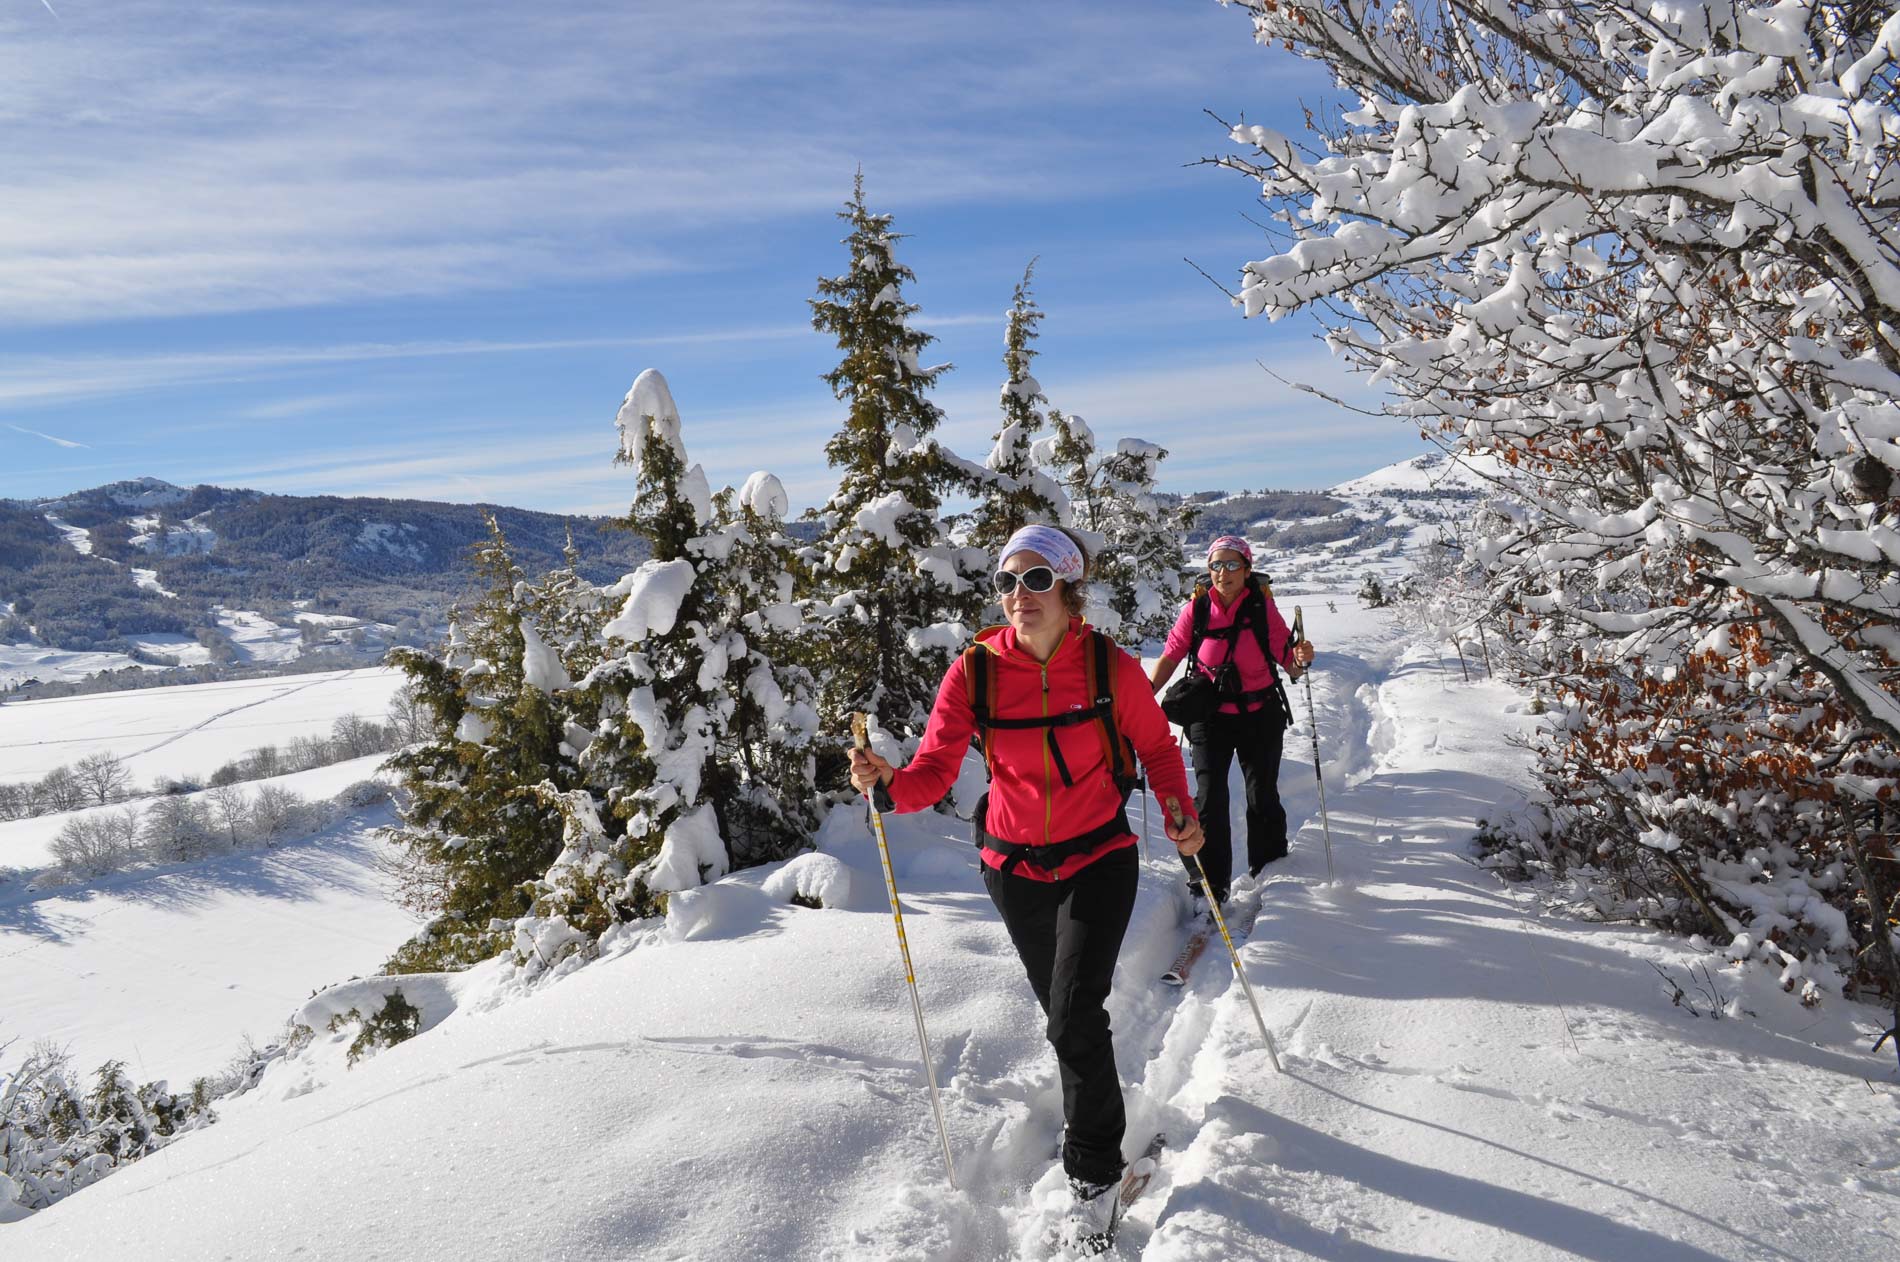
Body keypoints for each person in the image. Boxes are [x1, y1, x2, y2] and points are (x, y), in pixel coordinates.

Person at [849, 524, 1203, 1254]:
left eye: (1037, 580)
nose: (1019, 596)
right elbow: (934, 773)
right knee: (1066, 1019)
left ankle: (1095, 1175)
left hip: (1099, 855)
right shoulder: (974, 673)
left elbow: (1159, 752)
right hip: (1012, 866)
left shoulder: (1107, 666)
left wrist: (1180, 814)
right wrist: (887, 787)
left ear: (1071, 589)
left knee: (1074, 1013)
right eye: (1008, 581)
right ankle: (1094, 1129)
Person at [1148, 535, 1315, 906]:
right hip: (1209, 717)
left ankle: (1269, 869)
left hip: (1260, 714)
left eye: (1232, 564)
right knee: (1208, 799)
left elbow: (1288, 663)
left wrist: (1301, 659)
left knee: (1262, 794)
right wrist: (1146, 693)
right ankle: (1208, 883)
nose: (1223, 572)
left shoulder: (1261, 607)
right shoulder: (1198, 609)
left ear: (1247, 569)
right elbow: (1172, 653)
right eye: (1216, 565)